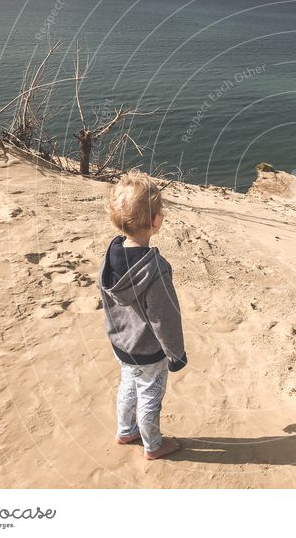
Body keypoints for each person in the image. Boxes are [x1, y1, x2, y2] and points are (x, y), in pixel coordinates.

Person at [99, 169, 187, 459]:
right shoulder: (155, 269)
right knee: (150, 394)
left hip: (122, 345)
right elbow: (166, 317)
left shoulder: (110, 258)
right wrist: (175, 353)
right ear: (156, 221)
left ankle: (126, 430)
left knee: (128, 386)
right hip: (148, 350)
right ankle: (154, 444)